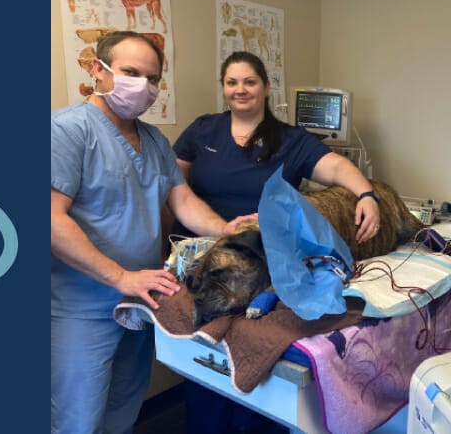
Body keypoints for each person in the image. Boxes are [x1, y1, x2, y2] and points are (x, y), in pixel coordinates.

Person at [51, 31, 256, 434]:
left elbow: (181, 199)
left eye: (152, 78)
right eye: (130, 73)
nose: (142, 86)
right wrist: (120, 276)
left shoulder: (153, 139)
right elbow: (51, 219)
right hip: (83, 306)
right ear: (98, 69)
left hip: (142, 299)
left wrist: (224, 228)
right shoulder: (68, 130)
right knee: (78, 418)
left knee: (123, 408)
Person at [171, 50, 381, 433]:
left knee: (258, 368)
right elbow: (174, 185)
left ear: (266, 87)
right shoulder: (203, 130)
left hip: (264, 262)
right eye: (232, 82)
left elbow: (334, 167)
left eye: (249, 82)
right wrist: (213, 228)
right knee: (205, 370)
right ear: (223, 87)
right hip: (204, 256)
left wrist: (367, 194)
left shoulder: (289, 140)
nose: (240, 90)